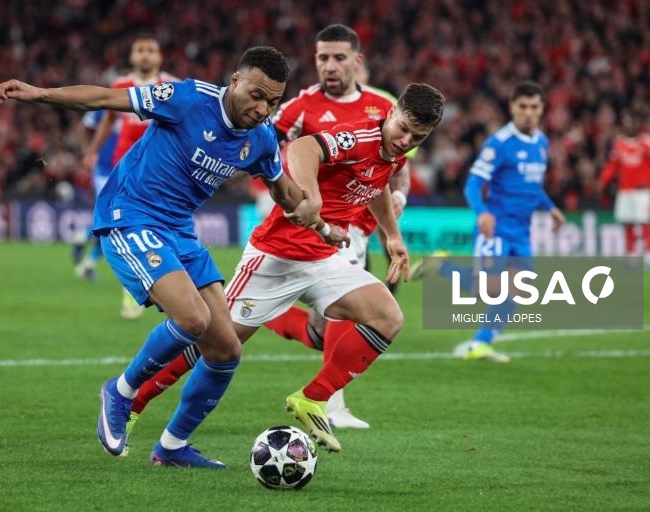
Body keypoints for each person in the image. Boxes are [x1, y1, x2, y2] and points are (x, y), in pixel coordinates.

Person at [0, 46, 345, 468]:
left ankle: (172, 447)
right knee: (193, 319)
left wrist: (319, 224)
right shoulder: (189, 99)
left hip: (179, 232)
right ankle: (120, 392)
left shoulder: (261, 139)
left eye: (272, 101)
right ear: (235, 81)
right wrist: (38, 93)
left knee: (226, 348)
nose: (262, 108)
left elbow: (284, 193)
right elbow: (105, 98)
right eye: (256, 95)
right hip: (130, 217)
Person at [118, 83, 445, 453]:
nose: (405, 140)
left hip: (323, 259)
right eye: (402, 128)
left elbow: (379, 182)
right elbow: (302, 148)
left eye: (416, 136)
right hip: (275, 257)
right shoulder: (360, 136)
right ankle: (134, 403)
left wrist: (392, 236)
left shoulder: (393, 153)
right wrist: (313, 194)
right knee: (212, 342)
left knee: (388, 317)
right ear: (392, 113)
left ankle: (313, 399)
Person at [436, 81, 565, 362]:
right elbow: (473, 183)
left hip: (522, 232)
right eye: (522, 107)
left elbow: (531, 185)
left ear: (542, 109)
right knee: (491, 288)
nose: (528, 113)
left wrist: (550, 207)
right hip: (495, 229)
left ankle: (482, 343)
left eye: (534, 107)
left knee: (519, 290)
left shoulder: (541, 142)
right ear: (512, 108)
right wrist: (482, 212)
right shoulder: (500, 143)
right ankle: (442, 266)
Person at [81, 36, 177, 319]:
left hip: (161, 170)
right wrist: (93, 151)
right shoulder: (121, 85)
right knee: (123, 227)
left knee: (159, 228)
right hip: (123, 167)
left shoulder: (171, 86)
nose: (145, 55)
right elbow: (109, 120)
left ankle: (163, 284)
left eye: (150, 50)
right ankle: (132, 289)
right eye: (140, 50)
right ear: (132, 57)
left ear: (159, 57)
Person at [598, 112, 650, 271]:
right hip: (624, 190)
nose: (629, 126)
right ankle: (632, 255)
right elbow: (613, 165)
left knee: (643, 222)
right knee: (628, 223)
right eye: (626, 123)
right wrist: (603, 180)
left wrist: (648, 179)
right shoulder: (619, 144)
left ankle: (648, 256)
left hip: (641, 191)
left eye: (631, 123)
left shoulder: (646, 143)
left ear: (637, 125)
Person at [72, 109, 120, 281]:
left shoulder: (139, 106)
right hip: (104, 172)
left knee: (116, 224)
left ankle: (84, 240)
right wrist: (88, 151)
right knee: (112, 222)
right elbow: (81, 128)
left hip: (124, 172)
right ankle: (86, 247)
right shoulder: (108, 106)